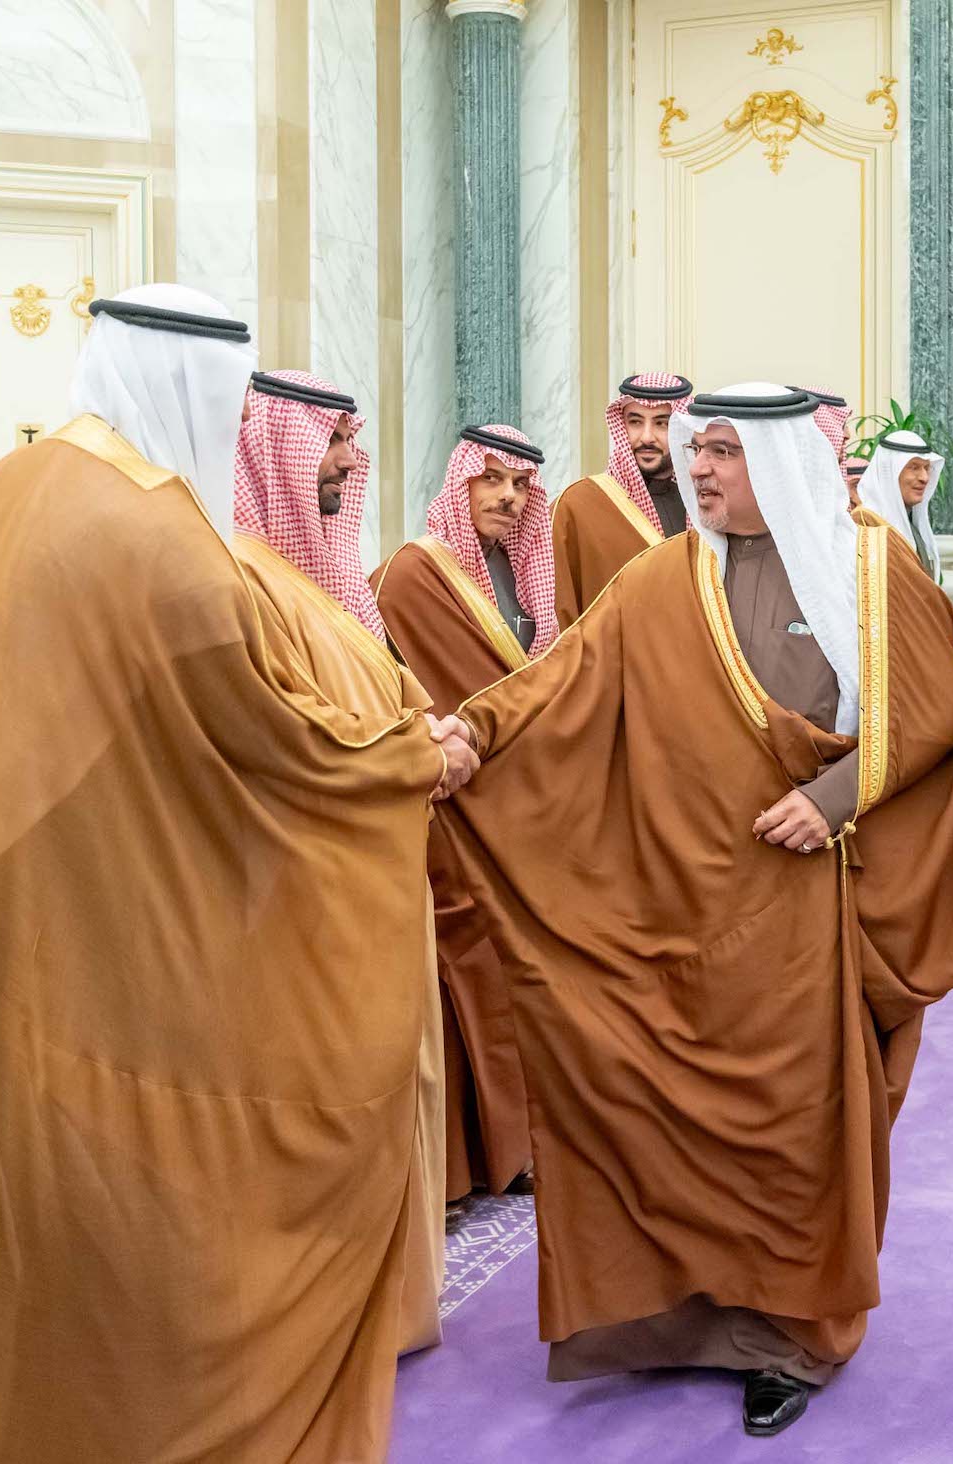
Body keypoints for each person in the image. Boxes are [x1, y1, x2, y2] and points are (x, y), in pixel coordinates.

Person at [0, 285, 475, 1463]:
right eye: (232, 401)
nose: (234, 427)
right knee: (140, 1244)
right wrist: (416, 756)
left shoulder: (13, 485)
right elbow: (279, 750)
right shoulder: (158, 538)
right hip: (99, 962)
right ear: (192, 386)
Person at [426, 382, 953, 1438]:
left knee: (791, 1129)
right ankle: (684, 1322)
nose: (698, 468)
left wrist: (833, 799)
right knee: (663, 1113)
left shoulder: (866, 565)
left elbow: (936, 711)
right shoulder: (666, 574)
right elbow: (564, 677)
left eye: (723, 453)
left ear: (776, 460)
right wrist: (471, 732)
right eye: (697, 451)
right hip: (675, 900)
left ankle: (790, 1338)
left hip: (801, 912)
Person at [233, 368, 449, 1353]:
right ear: (274, 447)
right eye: (332, 440)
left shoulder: (328, 582)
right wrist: (420, 752)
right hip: (304, 906)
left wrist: (430, 733)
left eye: (353, 439)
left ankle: (380, 1309)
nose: (351, 461)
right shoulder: (244, 582)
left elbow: (389, 697)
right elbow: (287, 743)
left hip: (379, 887)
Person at [371, 425, 553, 1208]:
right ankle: (466, 1162)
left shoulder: (526, 569)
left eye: (521, 484)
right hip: (449, 811)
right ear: (460, 483)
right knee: (467, 975)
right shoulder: (416, 573)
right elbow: (429, 694)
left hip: (519, 810)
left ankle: (518, 1145)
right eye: (492, 480)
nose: (508, 498)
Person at [551, 372, 693, 629]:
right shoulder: (577, 505)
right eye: (635, 422)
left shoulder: (702, 507)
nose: (647, 437)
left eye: (662, 423)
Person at [852, 427, 944, 580]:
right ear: (889, 471)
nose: (924, 478)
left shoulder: (912, 526)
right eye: (914, 467)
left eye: (926, 468)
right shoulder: (865, 524)